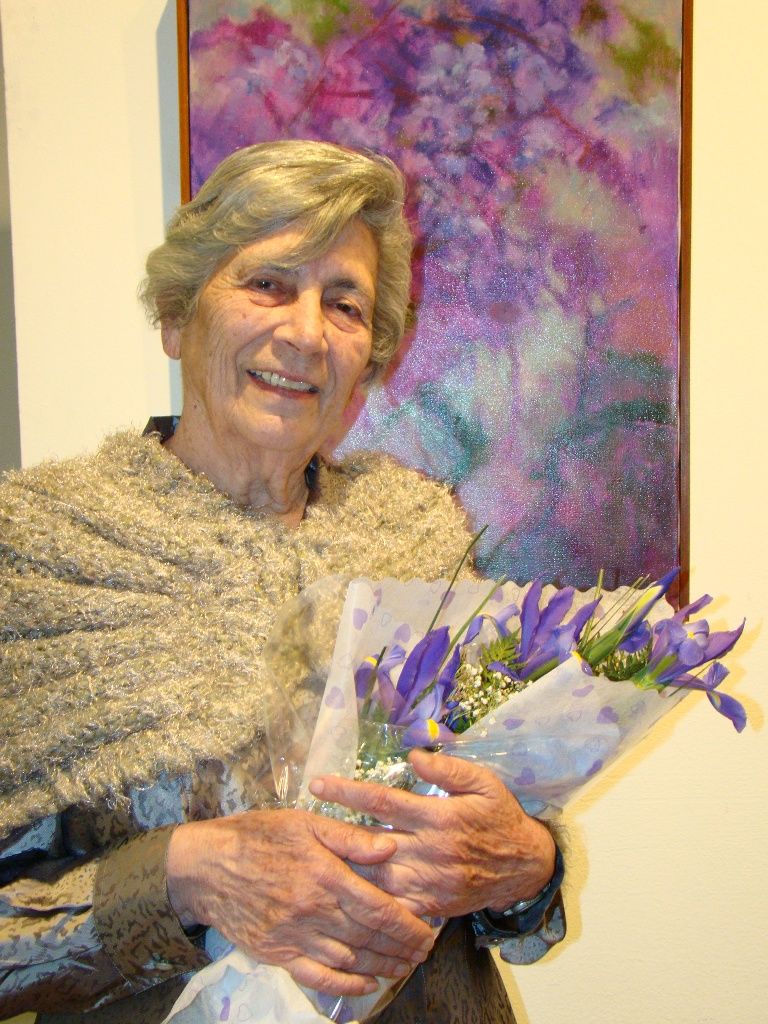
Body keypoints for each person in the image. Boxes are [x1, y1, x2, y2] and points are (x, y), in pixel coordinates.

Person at [0, 140, 564, 1024]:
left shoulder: (423, 534)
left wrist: (526, 860)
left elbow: (496, 823)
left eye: (344, 304)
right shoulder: (38, 546)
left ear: (366, 356)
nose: (306, 333)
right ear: (177, 318)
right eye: (267, 284)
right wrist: (184, 877)